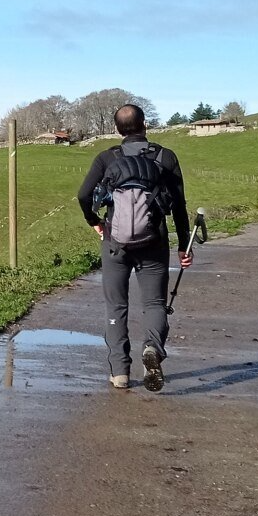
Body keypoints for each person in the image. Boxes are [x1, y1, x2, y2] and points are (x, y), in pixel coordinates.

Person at [77, 104, 191, 391]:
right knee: (154, 303)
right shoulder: (165, 157)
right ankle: (152, 348)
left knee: (116, 305)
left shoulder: (107, 158)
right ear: (145, 125)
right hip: (154, 240)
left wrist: (95, 220)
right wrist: (183, 245)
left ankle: (120, 373)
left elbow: (83, 194)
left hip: (115, 242)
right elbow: (178, 204)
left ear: (117, 129)